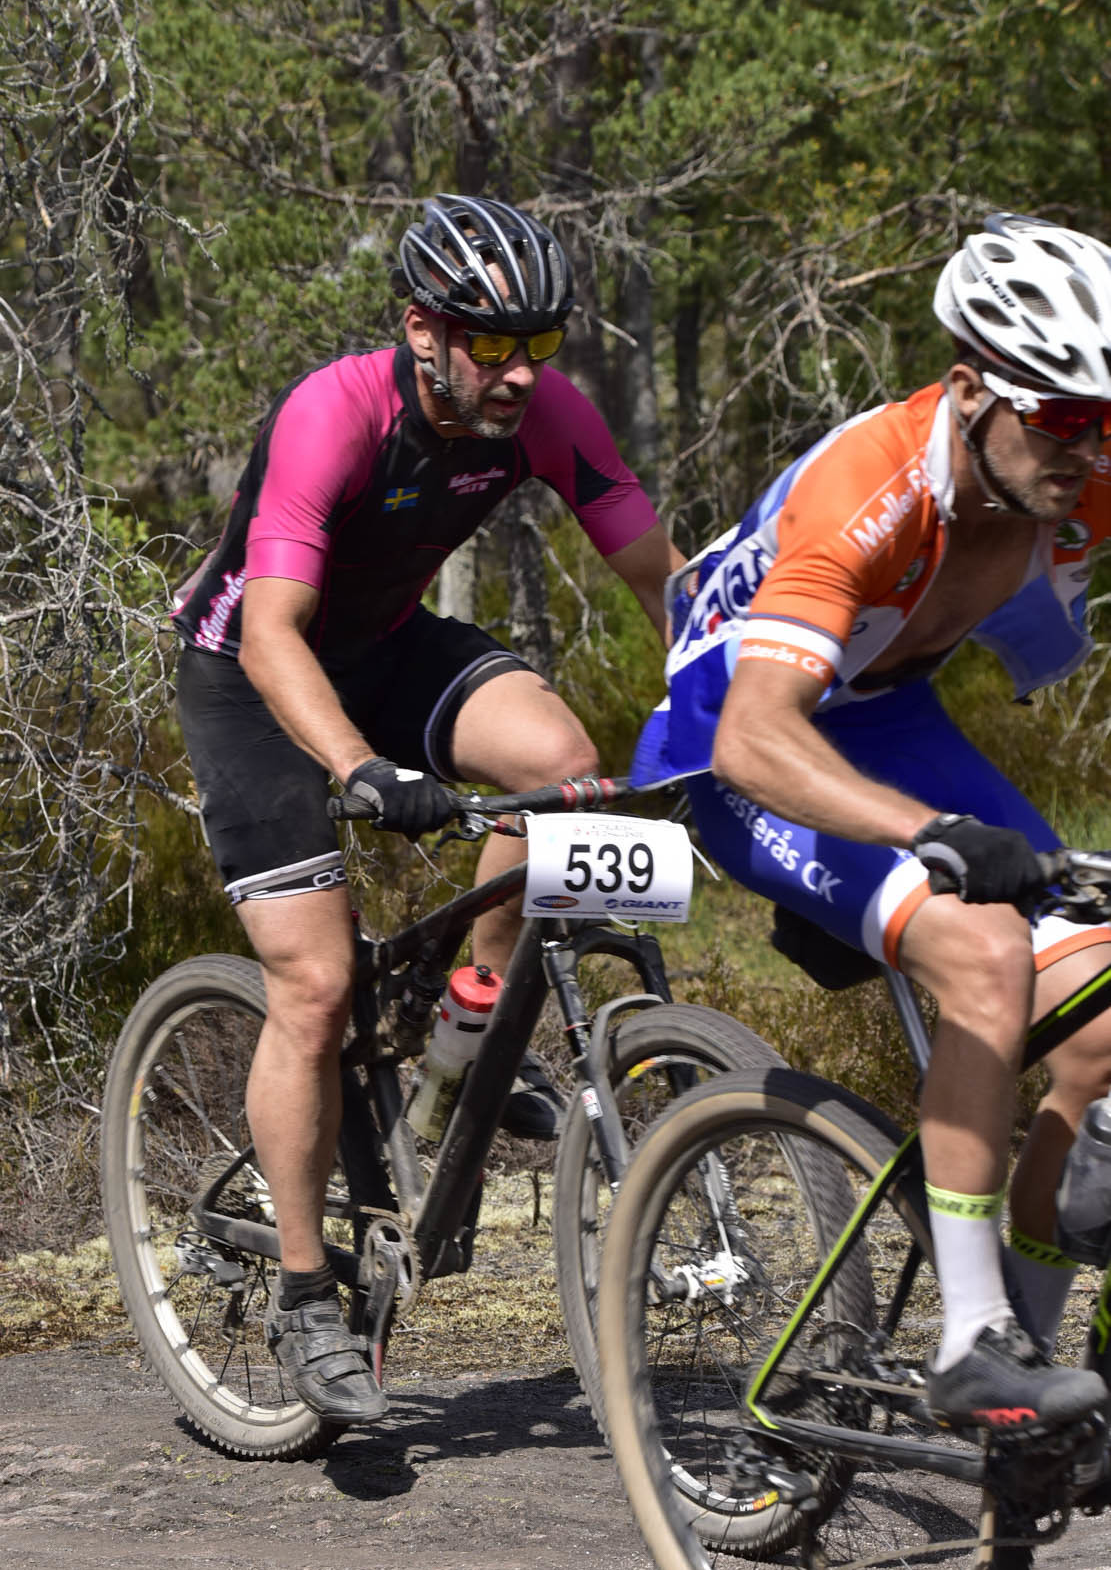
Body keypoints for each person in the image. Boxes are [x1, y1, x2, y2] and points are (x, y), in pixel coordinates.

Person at [173, 193, 679, 1425]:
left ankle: (463, 1028)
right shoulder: (335, 415)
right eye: (491, 343)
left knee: (560, 769)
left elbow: (662, 580)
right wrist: (357, 766)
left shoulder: (545, 413)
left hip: (388, 645)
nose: (520, 372)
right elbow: (275, 632)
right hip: (252, 668)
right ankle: (306, 1292)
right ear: (421, 330)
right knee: (315, 985)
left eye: (539, 343)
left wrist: (736, 717)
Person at [632, 212, 1111, 1436]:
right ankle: (966, 1344)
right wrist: (929, 830)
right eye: (1061, 416)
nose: (1086, 449)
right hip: (742, 747)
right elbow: (754, 737)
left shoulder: (1075, 478)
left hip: (889, 716)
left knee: (1103, 1018)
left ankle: (1035, 1383)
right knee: (987, 951)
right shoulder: (869, 488)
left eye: (1106, 421)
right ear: (971, 390)